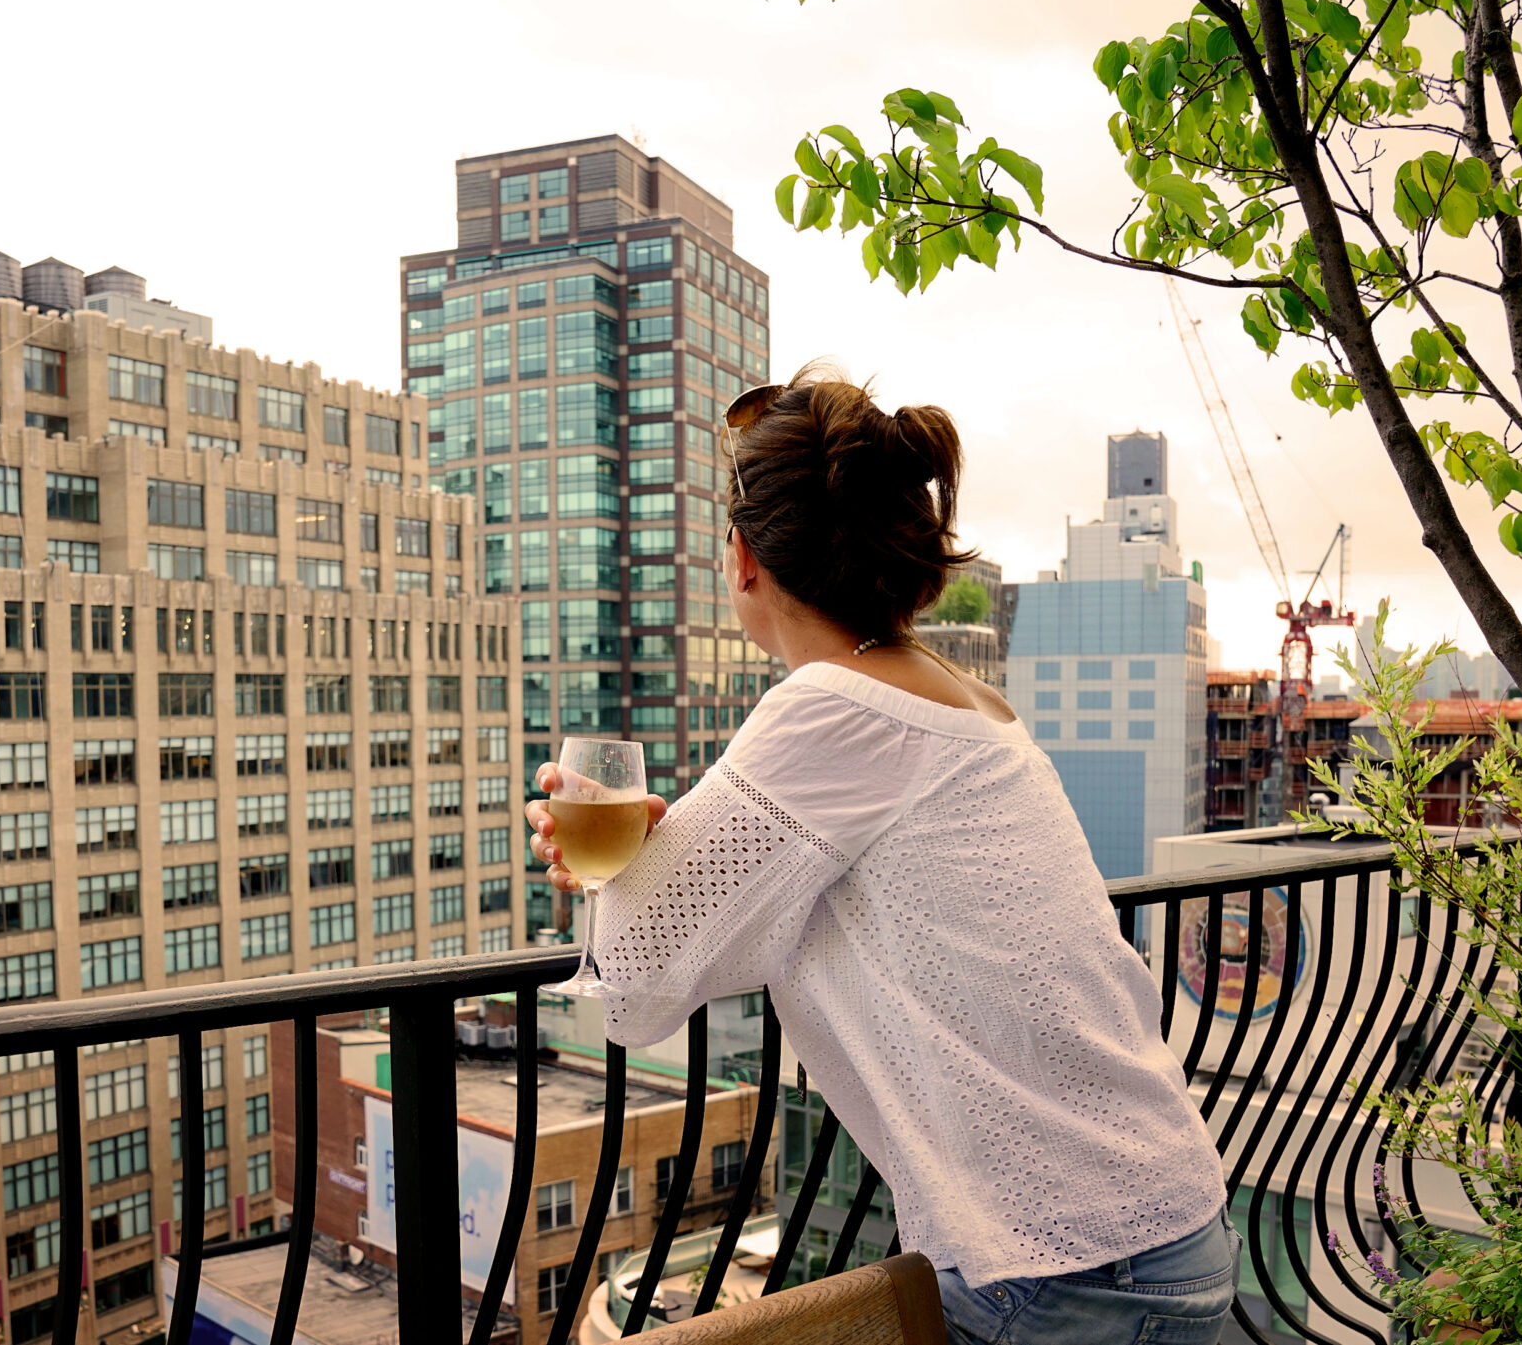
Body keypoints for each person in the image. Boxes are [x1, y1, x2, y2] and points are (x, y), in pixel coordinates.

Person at [525, 365, 1236, 1344]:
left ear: (740, 559)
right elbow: (774, 918)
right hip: (1163, 1225)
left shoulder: (828, 709)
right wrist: (661, 860)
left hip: (1067, 1268)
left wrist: (617, 867)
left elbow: (640, 985)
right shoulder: (959, 697)